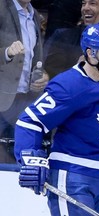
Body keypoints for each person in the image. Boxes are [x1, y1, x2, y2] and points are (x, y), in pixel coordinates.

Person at [14, 22, 99, 216]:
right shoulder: (68, 86)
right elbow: (29, 122)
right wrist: (29, 158)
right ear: (90, 53)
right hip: (73, 176)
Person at [0, 0, 49, 162]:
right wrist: (7, 52)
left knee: (21, 159)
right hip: (2, 99)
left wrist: (41, 75)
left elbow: (34, 58)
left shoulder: (34, 15)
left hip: (24, 100)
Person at [43, 0, 99, 78]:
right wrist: (77, 71)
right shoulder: (63, 36)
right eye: (83, 3)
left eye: (93, 3)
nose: (85, 8)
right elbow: (51, 74)